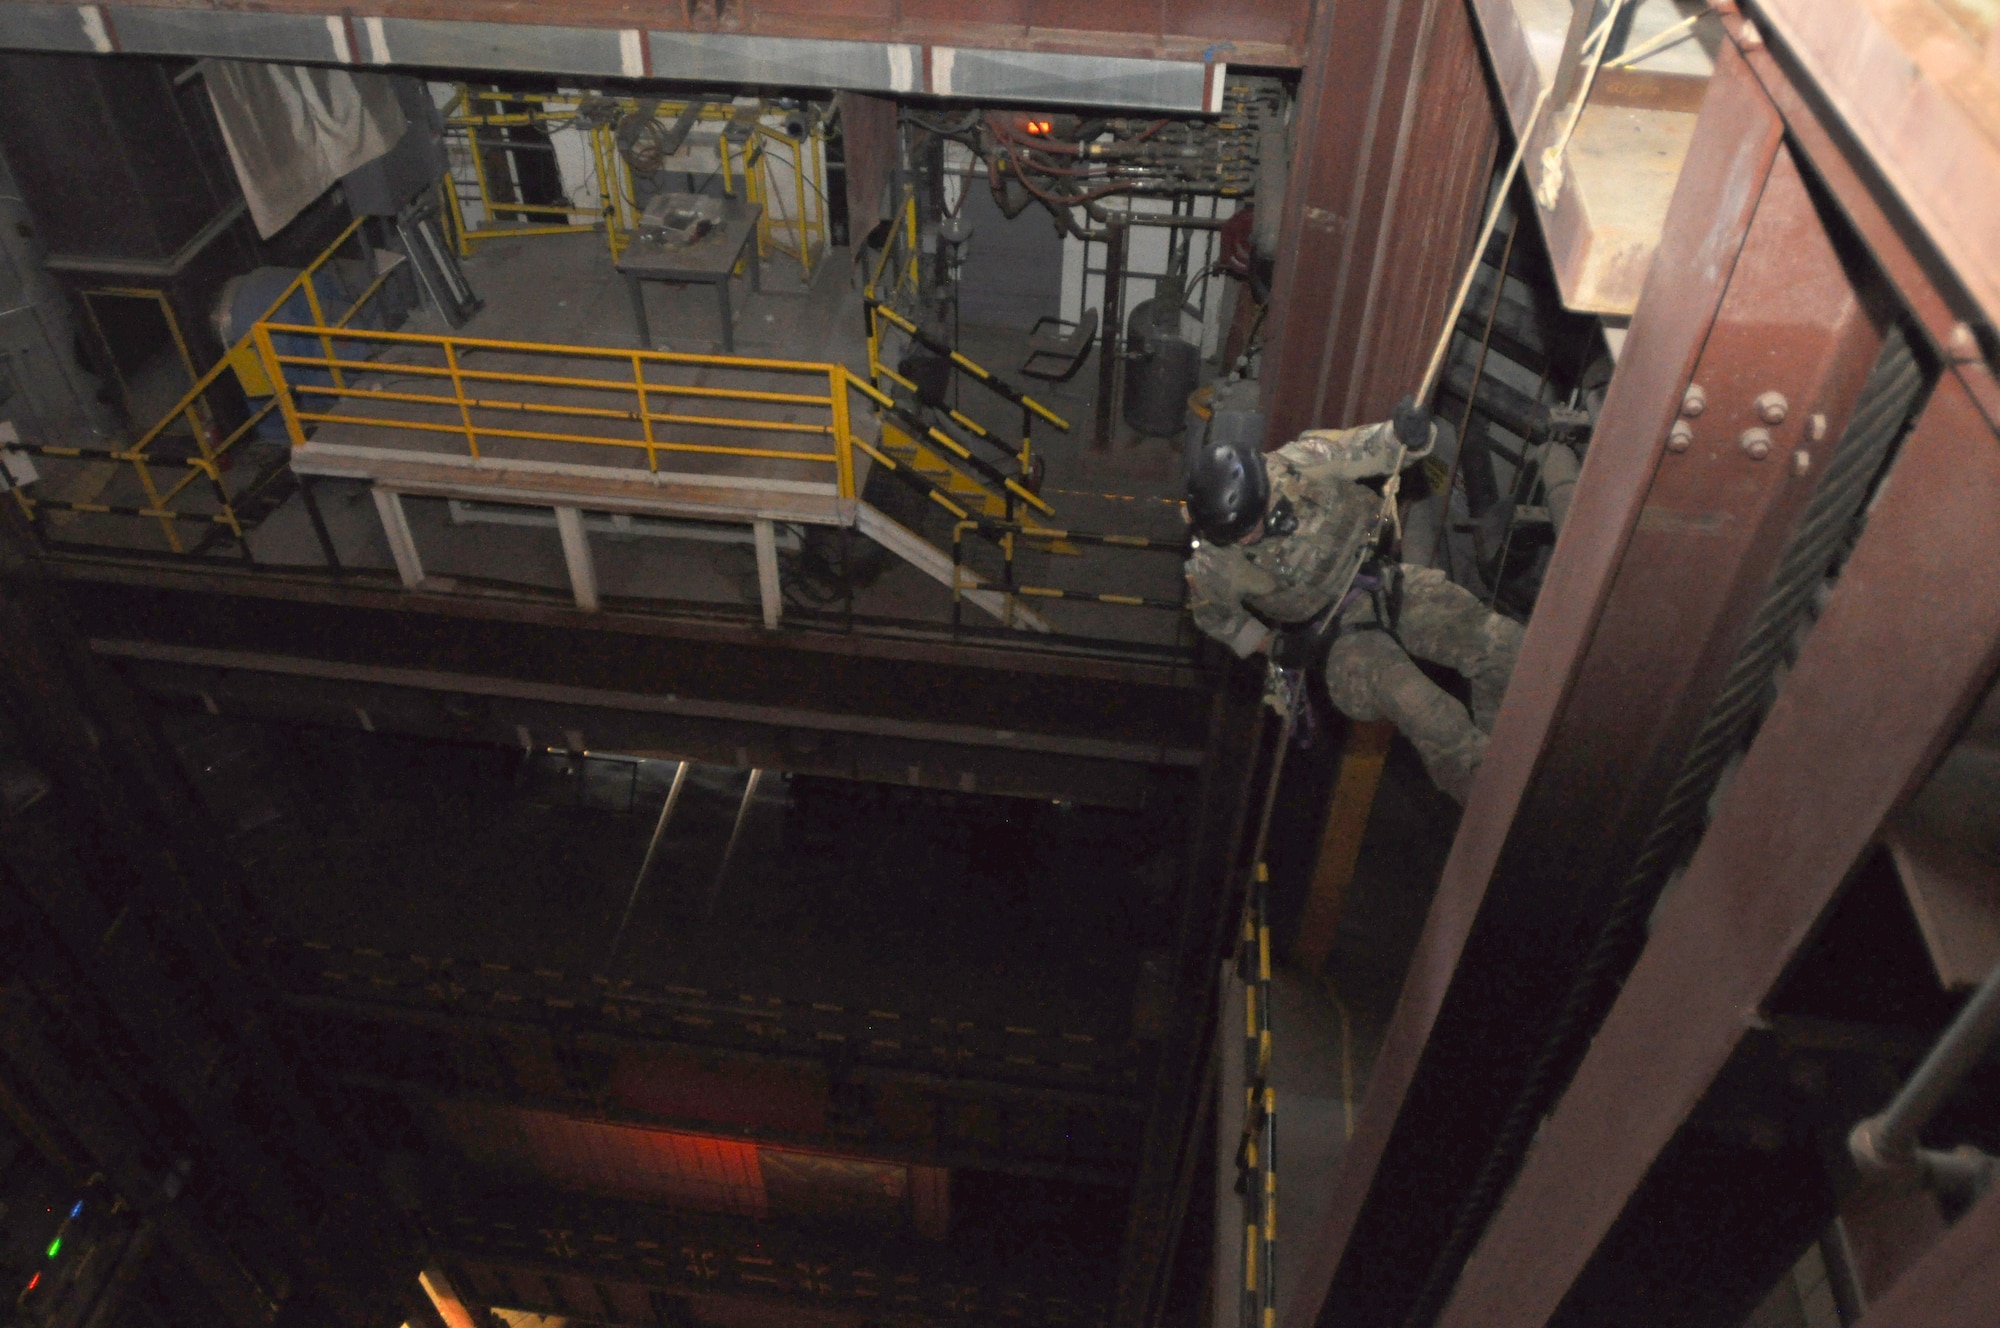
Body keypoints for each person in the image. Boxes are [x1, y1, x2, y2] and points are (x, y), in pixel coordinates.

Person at [1183, 397, 1523, 803]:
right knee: (1424, 708)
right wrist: (1277, 646)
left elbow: (1370, 447)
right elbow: (1216, 619)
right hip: (1337, 640)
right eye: (1235, 536)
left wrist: (1407, 436)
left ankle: (1514, 743)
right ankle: (1488, 798)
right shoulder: (1213, 565)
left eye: (1251, 527)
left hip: (1383, 582)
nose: (1246, 539)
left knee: (1500, 644)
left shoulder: (1299, 464)